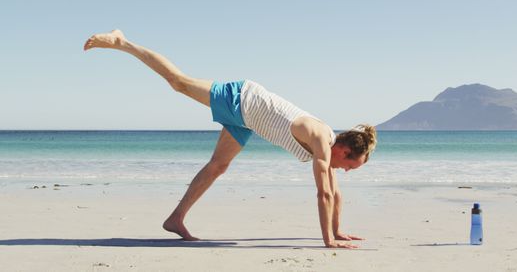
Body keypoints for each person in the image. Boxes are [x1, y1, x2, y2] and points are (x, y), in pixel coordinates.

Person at [83, 30, 377, 249]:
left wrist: (337, 231)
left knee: (217, 166)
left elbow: (334, 194)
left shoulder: (327, 149)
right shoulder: (320, 140)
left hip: (247, 121)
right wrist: (328, 241)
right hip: (241, 100)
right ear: (344, 149)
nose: (348, 171)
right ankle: (122, 42)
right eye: (352, 166)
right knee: (178, 82)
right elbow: (323, 194)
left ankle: (175, 219)